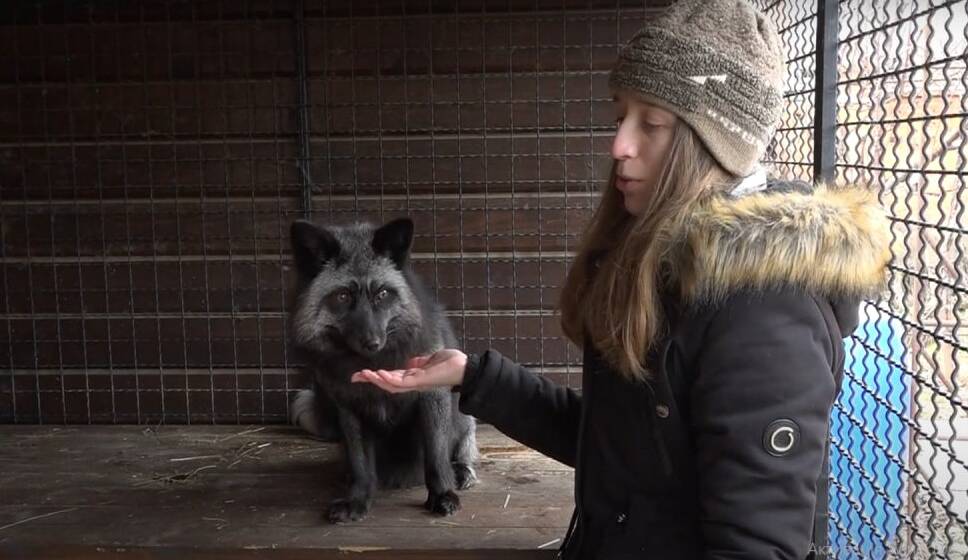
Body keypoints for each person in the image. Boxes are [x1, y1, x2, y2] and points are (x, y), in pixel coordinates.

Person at [351, 0, 891, 557]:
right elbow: (626, 451)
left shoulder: (765, 312)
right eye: (620, 117)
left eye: (651, 124)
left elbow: (756, 545)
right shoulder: (664, 261)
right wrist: (474, 377)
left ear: (716, 142)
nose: (619, 146)